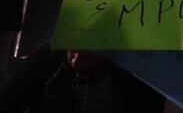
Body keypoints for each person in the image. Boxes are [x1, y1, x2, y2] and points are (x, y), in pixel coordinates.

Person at [0, 46, 164, 113]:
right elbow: (9, 102)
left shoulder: (136, 74)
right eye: (73, 52)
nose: (77, 61)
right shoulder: (47, 57)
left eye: (87, 54)